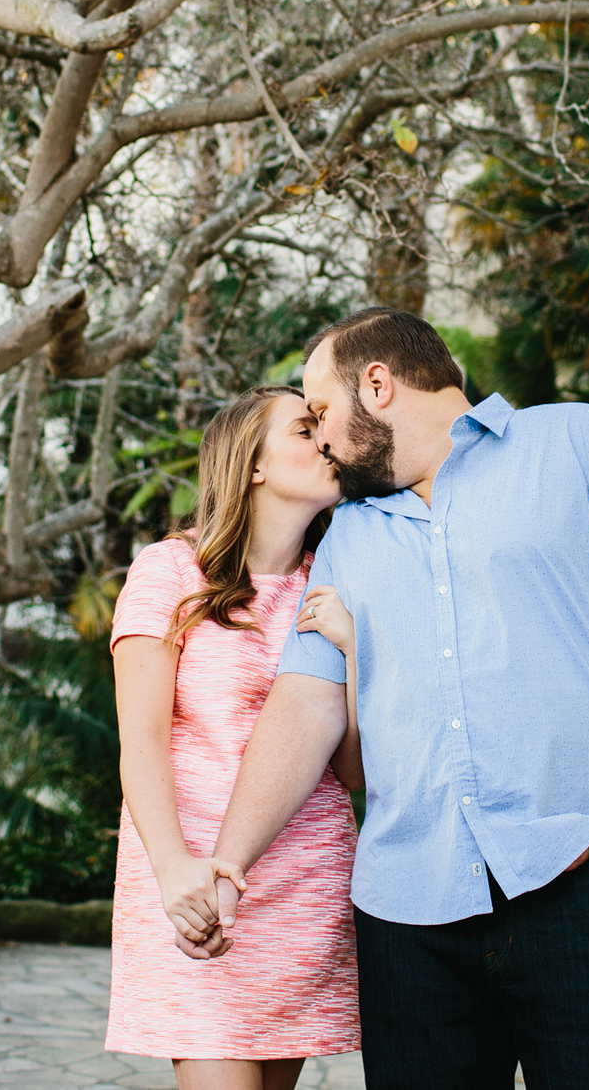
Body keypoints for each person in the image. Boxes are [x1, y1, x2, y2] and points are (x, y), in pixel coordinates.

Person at [178, 307, 589, 1090]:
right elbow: (306, 704)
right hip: (410, 920)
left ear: (379, 383)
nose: (324, 437)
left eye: (323, 412)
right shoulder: (346, 536)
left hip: (588, 887)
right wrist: (229, 863)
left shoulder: (577, 443)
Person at [107, 385, 362, 1090]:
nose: (328, 441)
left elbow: (352, 770)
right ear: (251, 463)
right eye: (307, 428)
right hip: (190, 880)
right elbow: (141, 743)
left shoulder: (332, 585)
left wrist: (358, 653)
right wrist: (173, 869)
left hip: (305, 887)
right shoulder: (170, 571)